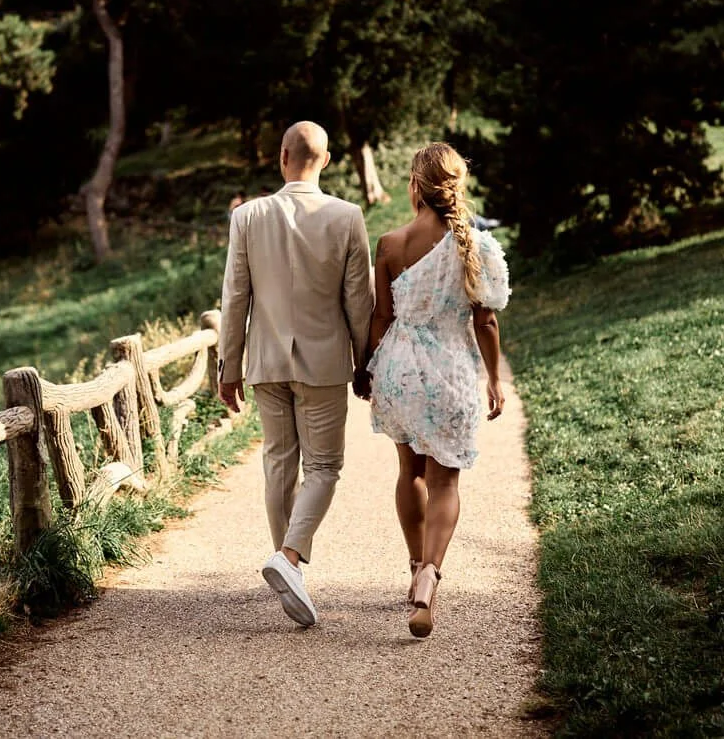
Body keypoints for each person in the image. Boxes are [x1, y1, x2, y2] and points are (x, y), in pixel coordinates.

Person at [218, 121, 375, 627]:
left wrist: (229, 365)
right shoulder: (347, 216)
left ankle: (287, 566)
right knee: (325, 468)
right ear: (326, 161)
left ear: (282, 156)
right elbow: (358, 300)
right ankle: (288, 559)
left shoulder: (247, 217)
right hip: (325, 361)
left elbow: (234, 296)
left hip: (264, 361)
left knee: (278, 464)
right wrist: (362, 360)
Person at [362, 142, 512, 638]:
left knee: (410, 471)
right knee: (446, 480)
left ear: (415, 187)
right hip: (450, 370)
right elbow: (485, 320)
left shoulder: (389, 243)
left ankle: (412, 565)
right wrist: (493, 377)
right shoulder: (477, 245)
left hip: (401, 370)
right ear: (457, 185)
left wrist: (368, 372)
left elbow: (381, 319)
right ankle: (430, 572)